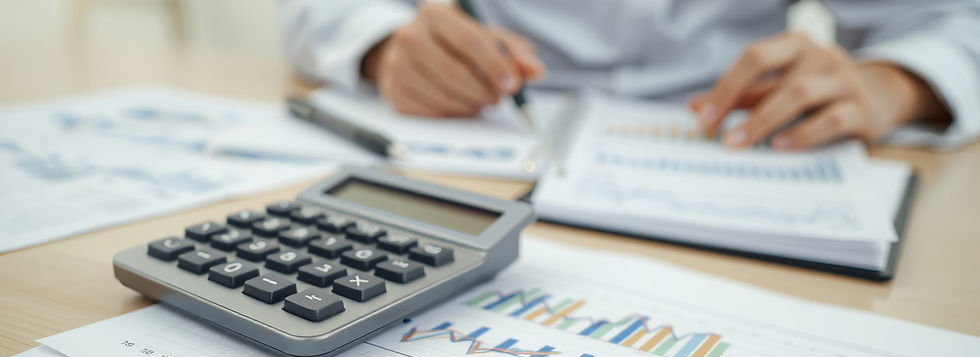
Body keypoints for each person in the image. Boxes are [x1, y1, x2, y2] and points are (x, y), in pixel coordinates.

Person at [278, 0, 980, 150]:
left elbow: (953, 19)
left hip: (735, 138)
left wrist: (897, 81)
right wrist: (383, 46)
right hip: (478, 135)